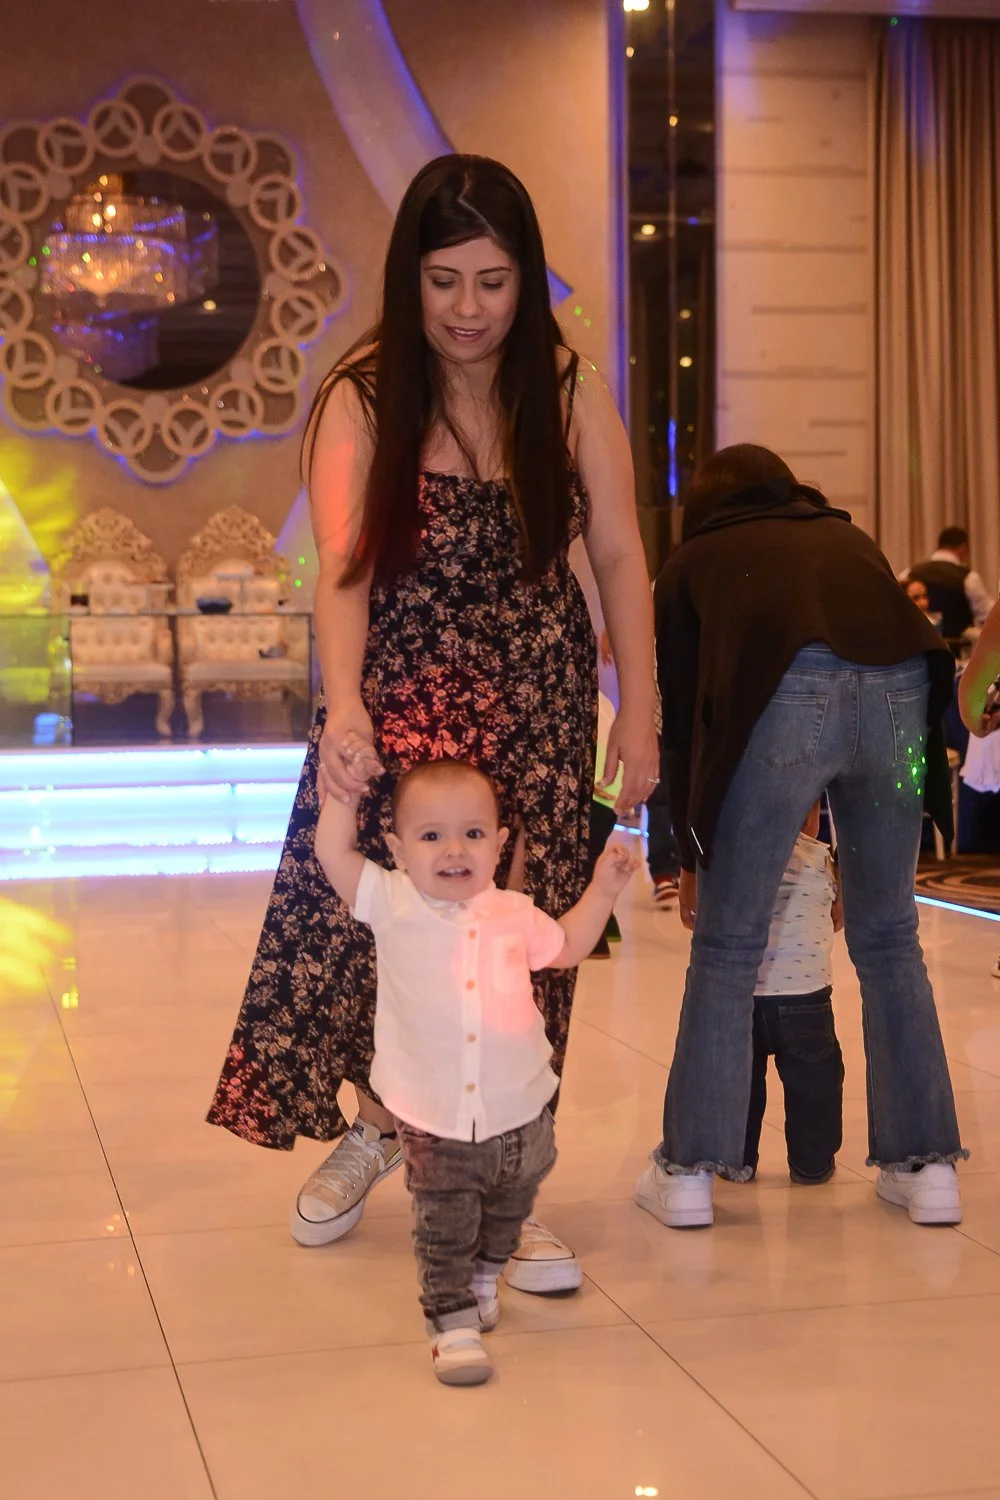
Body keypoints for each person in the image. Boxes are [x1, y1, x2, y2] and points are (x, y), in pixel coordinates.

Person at [206, 155, 659, 1297]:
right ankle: (380, 1129)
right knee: (367, 931)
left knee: (519, 945)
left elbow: (617, 558)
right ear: (409, 278)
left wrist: (641, 710)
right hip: (402, 705)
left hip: (536, 714)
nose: (468, 309)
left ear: (527, 281)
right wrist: (346, 703)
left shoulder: (567, 391)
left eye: (495, 281)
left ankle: (504, 1181)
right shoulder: (364, 396)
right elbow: (346, 571)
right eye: (445, 280)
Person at [632, 444, 967, 1233]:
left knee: (727, 946)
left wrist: (688, 854)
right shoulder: (847, 537)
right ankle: (926, 1169)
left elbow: (682, 721)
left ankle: (689, 1172)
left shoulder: (695, 559)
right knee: (890, 940)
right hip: (904, 692)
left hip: (791, 691)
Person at [313, 758, 638, 1384]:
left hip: (519, 1103)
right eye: (431, 835)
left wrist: (603, 890)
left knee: (510, 1204)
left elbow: (567, 947)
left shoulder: (513, 912)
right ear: (397, 848)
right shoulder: (391, 900)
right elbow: (331, 851)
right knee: (445, 1220)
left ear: (499, 843)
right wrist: (342, 795)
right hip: (433, 1109)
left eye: (473, 833)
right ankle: (452, 1322)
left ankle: (488, 1274)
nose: (453, 849)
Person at [738, 802, 845, 1186]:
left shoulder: (739, 852)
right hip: (807, 1000)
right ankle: (812, 1163)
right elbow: (836, 919)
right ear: (813, 816)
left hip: (743, 999)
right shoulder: (820, 858)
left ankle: (736, 1160)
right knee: (816, 1084)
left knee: (741, 1083)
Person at [903, 526, 993, 639]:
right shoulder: (969, 577)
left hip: (920, 647)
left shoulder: (909, 573)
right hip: (958, 650)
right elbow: (987, 616)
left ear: (938, 546)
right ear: (963, 547)